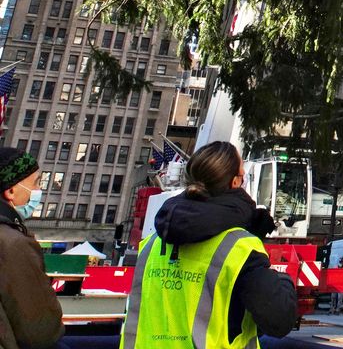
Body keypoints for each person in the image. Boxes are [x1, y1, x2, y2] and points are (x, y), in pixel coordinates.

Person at [120, 140, 296, 349]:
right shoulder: (241, 251)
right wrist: (282, 280)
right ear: (234, 183)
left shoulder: (151, 245)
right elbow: (279, 320)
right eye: (243, 176)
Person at [0, 147, 63, 349]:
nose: (38, 191)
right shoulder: (12, 243)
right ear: (10, 191)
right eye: (36, 183)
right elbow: (40, 331)